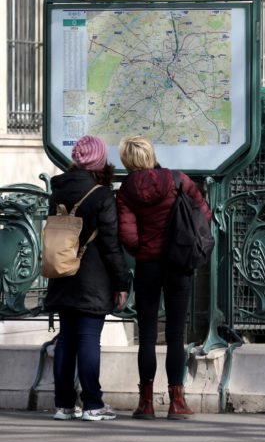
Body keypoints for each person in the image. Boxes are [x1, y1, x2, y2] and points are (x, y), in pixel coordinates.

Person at [116, 136, 211, 420]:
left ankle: (145, 403)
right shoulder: (178, 180)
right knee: (175, 334)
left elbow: (128, 235)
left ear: (127, 160)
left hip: (148, 266)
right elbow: (203, 214)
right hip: (178, 264)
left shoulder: (126, 190)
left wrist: (143, 248)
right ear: (150, 154)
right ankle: (177, 401)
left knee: (146, 336)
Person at [44, 135, 129, 422]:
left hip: (61, 273)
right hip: (93, 279)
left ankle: (63, 405)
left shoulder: (57, 192)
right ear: (100, 161)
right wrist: (122, 283)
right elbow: (110, 244)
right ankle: (93, 403)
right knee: (89, 339)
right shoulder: (102, 195)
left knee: (66, 339)